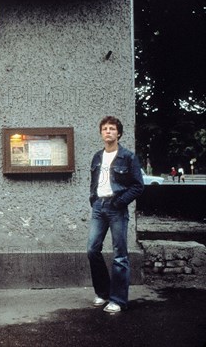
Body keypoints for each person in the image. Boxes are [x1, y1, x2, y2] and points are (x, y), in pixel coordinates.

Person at [87, 116, 144, 314]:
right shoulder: (97, 156)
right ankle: (103, 293)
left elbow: (138, 186)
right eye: (105, 129)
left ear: (118, 133)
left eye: (112, 129)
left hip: (117, 207)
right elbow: (94, 183)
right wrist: (94, 200)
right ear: (101, 133)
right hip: (98, 207)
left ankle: (118, 300)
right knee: (92, 250)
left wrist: (119, 202)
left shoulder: (127, 157)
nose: (108, 131)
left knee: (120, 254)